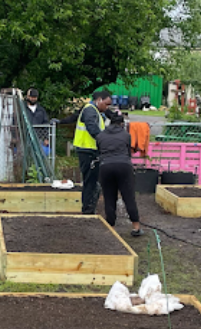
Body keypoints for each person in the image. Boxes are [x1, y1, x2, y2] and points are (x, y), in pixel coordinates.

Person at [58, 89, 112, 214]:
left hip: (91, 150)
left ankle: (89, 208)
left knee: (92, 181)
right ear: (99, 100)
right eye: (107, 104)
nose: (108, 107)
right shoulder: (90, 111)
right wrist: (105, 142)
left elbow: (74, 117)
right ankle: (87, 210)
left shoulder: (94, 110)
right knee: (90, 182)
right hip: (87, 151)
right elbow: (92, 127)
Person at [96, 107, 143, 236]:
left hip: (106, 167)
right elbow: (128, 153)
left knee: (109, 198)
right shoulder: (126, 135)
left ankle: (111, 228)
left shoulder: (100, 135)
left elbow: (99, 151)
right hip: (123, 166)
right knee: (128, 197)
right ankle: (136, 227)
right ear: (122, 124)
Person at [24, 88, 50, 156]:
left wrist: (46, 138)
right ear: (28, 97)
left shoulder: (41, 110)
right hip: (24, 137)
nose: (33, 99)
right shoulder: (22, 109)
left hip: (38, 137)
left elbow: (45, 124)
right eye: (32, 97)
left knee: (40, 154)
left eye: (35, 97)